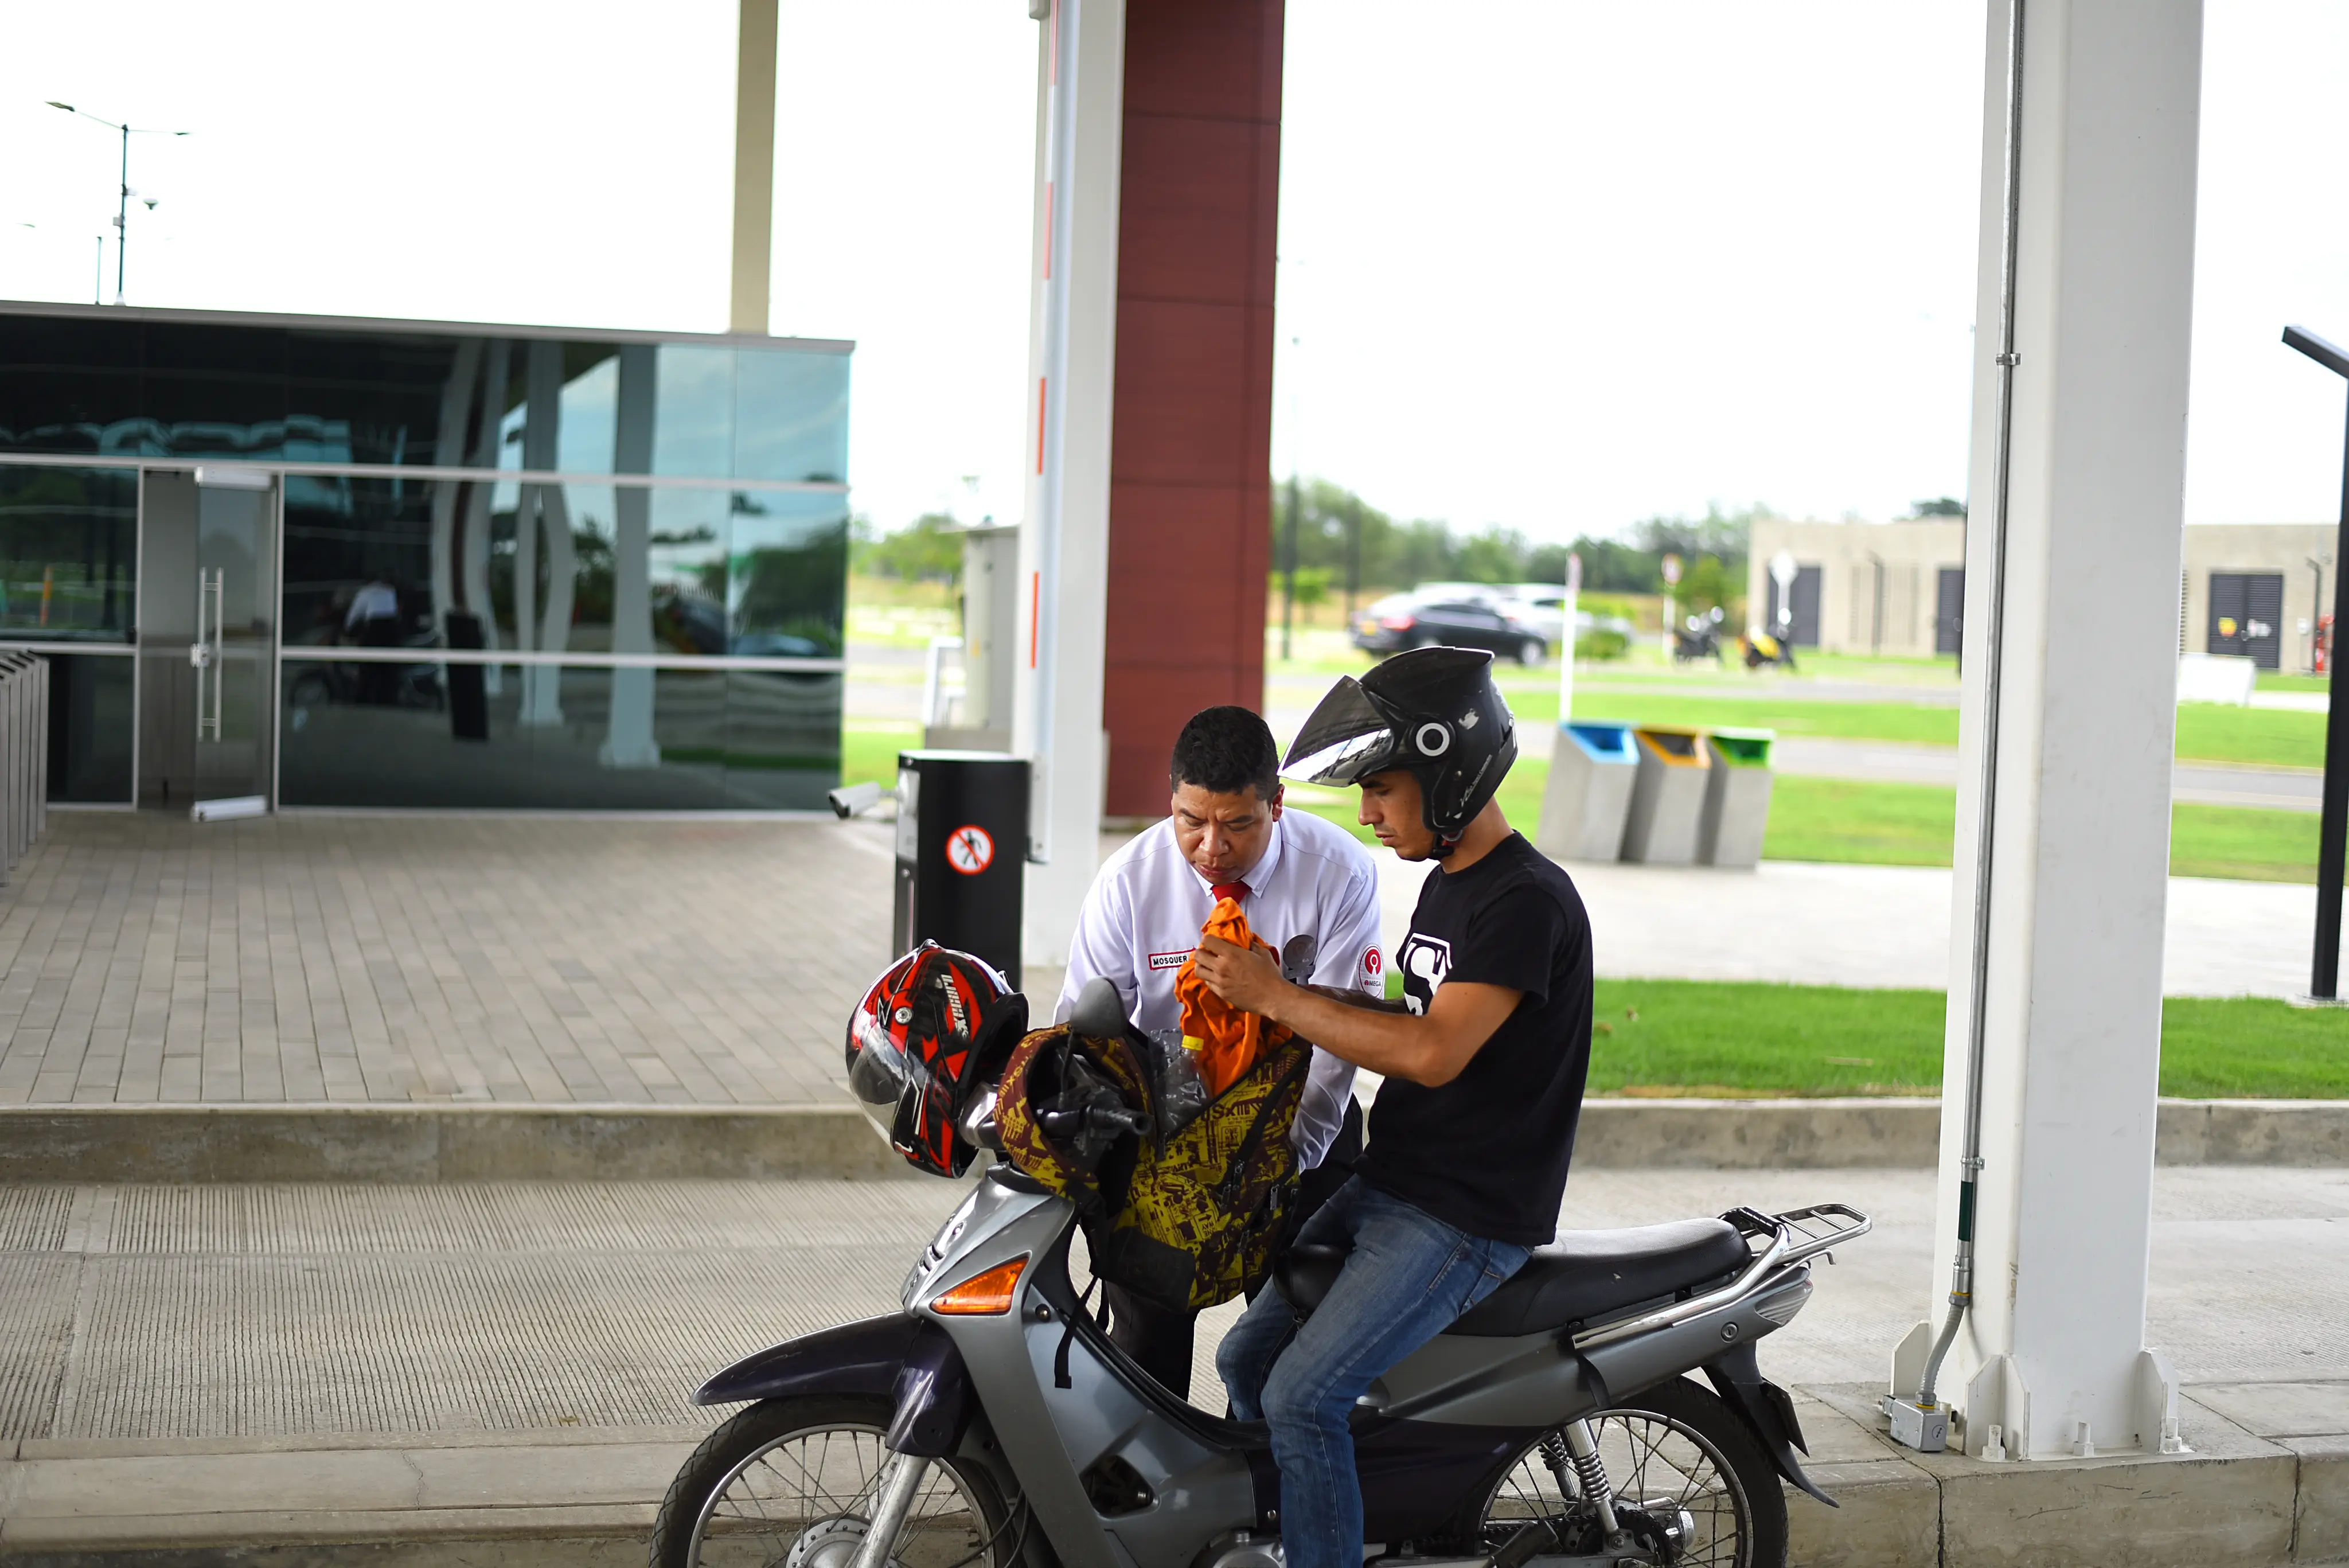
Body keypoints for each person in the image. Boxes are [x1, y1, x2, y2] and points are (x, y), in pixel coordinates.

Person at [1191, 646, 1593, 1568]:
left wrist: (1278, 998)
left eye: (1382, 787)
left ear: (1449, 773)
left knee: (1302, 1395)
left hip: (1464, 1215)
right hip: (1397, 1182)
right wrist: (1289, 996)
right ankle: (1301, 1526)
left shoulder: (1524, 900)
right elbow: (1410, 1017)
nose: (1368, 811)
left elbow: (1433, 1052)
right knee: (1246, 1360)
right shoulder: (1451, 881)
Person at [1056, 704, 1384, 1398]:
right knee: (1144, 1346)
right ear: (1170, 800)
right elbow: (1084, 1029)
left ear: (1277, 805)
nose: (1211, 847)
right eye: (1190, 821)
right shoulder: (1128, 882)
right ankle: (1151, 1488)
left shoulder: (1339, 873)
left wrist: (1285, 1157)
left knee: (1296, 1343)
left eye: (1238, 824)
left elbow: (1338, 1041)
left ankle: (1274, 1489)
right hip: (1167, 1118)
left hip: (1298, 1113)